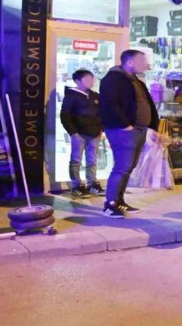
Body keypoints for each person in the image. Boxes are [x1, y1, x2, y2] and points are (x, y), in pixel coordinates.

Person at [99, 50, 159, 218]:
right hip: (123, 130)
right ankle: (110, 204)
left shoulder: (136, 80)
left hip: (139, 129)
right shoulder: (113, 79)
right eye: (141, 61)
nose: (145, 64)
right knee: (122, 167)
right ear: (130, 62)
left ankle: (119, 200)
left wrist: (153, 126)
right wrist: (125, 125)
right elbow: (109, 105)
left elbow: (147, 103)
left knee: (129, 167)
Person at [60, 69, 104, 198]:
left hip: (95, 133)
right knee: (76, 160)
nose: (91, 81)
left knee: (92, 160)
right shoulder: (71, 95)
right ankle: (76, 185)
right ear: (78, 81)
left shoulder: (95, 96)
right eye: (87, 79)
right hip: (79, 133)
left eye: (92, 79)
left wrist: (101, 128)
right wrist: (73, 132)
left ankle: (92, 183)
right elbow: (65, 116)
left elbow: (102, 113)